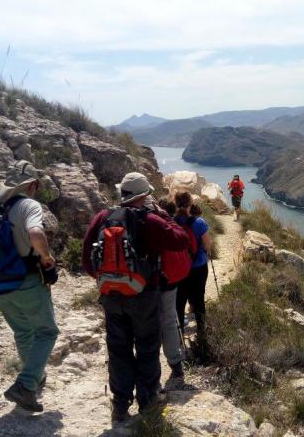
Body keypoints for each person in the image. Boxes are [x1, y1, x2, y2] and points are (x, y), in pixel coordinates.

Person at [82, 173, 190, 422]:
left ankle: (120, 404)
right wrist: (163, 214)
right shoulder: (149, 220)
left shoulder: (103, 217)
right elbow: (180, 240)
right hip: (143, 295)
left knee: (118, 348)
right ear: (145, 195)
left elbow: (88, 260)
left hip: (110, 295)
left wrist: (108, 281)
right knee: (147, 347)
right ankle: (148, 400)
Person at [0, 160, 59, 413]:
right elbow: (36, 234)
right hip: (25, 280)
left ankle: (34, 376)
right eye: (37, 184)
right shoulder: (28, 204)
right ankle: (26, 385)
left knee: (23, 332)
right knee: (47, 332)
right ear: (30, 185)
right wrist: (47, 259)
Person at [152, 197, 186, 382]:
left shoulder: (138, 220)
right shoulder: (165, 223)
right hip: (168, 280)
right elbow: (183, 241)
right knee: (169, 320)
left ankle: (149, 369)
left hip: (140, 282)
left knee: (147, 324)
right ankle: (175, 363)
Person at [174, 192, 212, 336]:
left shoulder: (171, 222)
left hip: (178, 269)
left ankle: (179, 333)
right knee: (199, 297)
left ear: (177, 204)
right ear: (190, 204)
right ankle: (201, 332)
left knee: (180, 300)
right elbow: (208, 245)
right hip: (198, 267)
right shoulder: (199, 223)